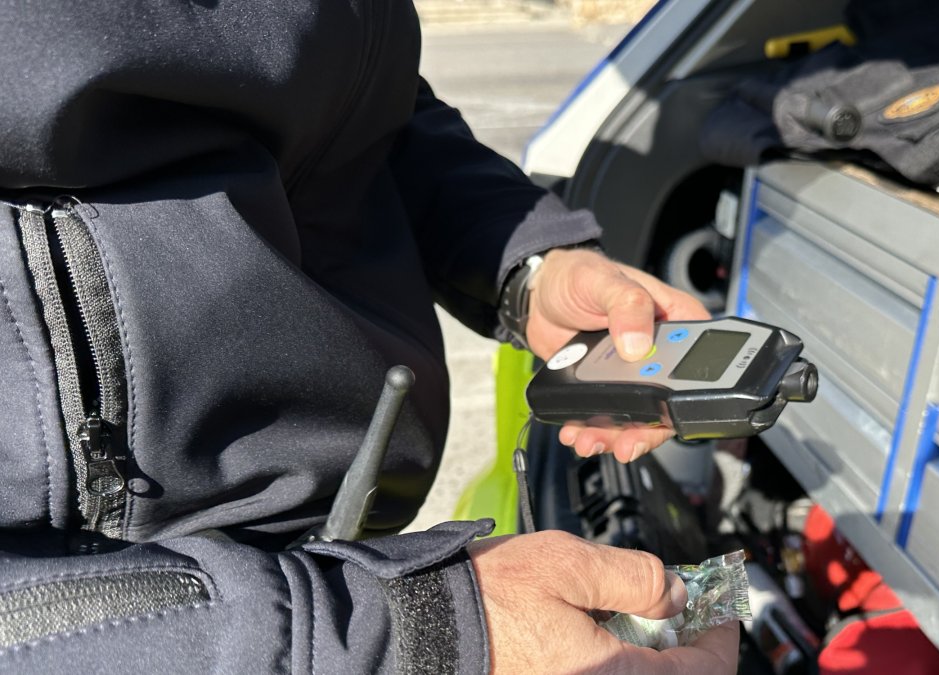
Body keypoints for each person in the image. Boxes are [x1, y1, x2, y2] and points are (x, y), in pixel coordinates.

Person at [0, 1, 738, 672]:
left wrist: (523, 261)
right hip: (174, 611)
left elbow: (353, 108)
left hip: (335, 566)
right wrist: (410, 632)